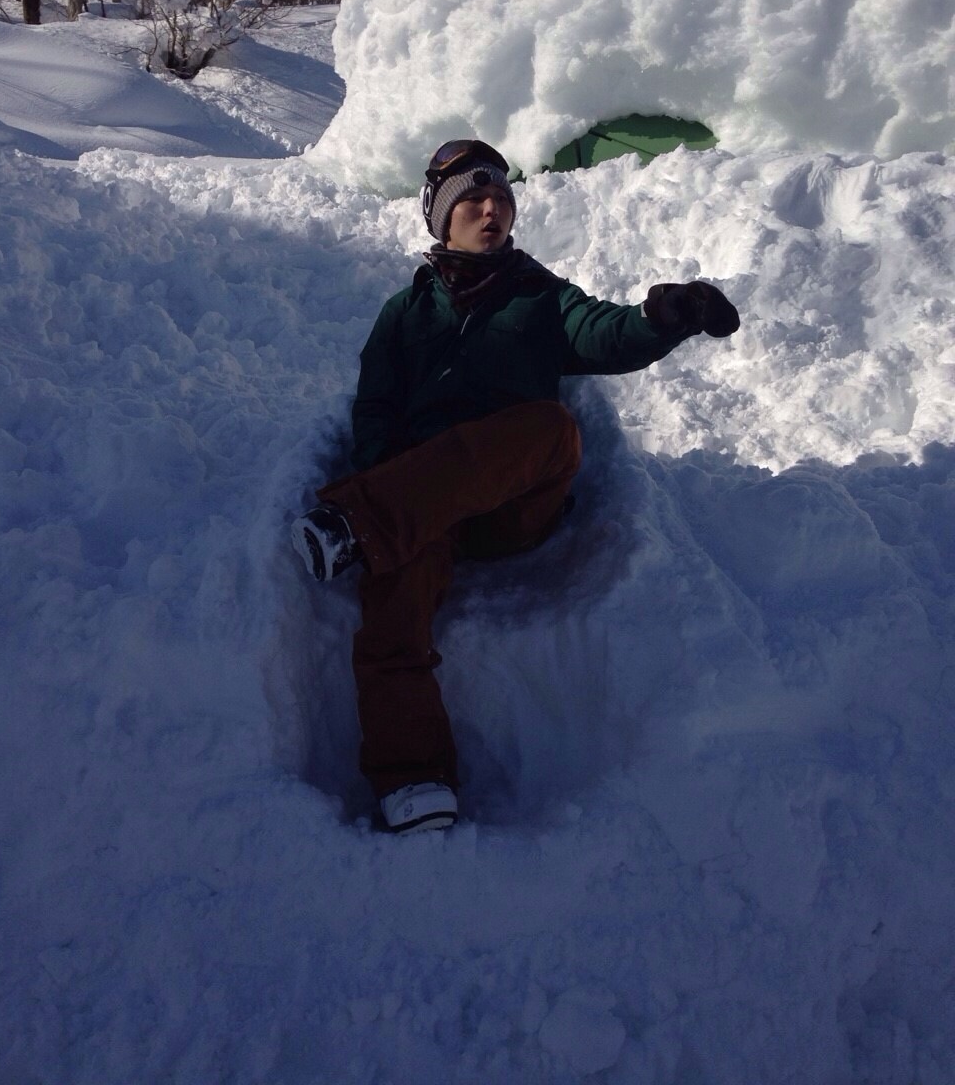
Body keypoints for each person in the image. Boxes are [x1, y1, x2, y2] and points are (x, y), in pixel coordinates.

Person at [292, 139, 739, 834]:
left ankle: (358, 522)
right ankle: (412, 780)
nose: (490, 209)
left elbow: (603, 333)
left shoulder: (541, 296)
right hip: (422, 507)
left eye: (500, 198)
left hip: (508, 507)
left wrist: (661, 318)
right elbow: (375, 408)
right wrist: (391, 471)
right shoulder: (404, 312)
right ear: (441, 216)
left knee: (551, 428)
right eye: (472, 199)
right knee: (392, 614)